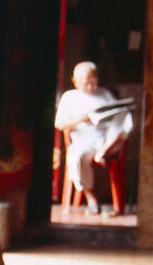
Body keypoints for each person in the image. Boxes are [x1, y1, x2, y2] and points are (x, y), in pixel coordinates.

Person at [55, 60, 133, 214]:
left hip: (106, 139)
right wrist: (82, 119)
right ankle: (91, 197)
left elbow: (117, 117)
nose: (91, 86)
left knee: (125, 118)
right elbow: (60, 124)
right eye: (86, 83)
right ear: (75, 82)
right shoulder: (69, 97)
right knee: (76, 157)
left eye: (93, 82)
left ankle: (103, 152)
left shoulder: (104, 94)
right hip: (83, 140)